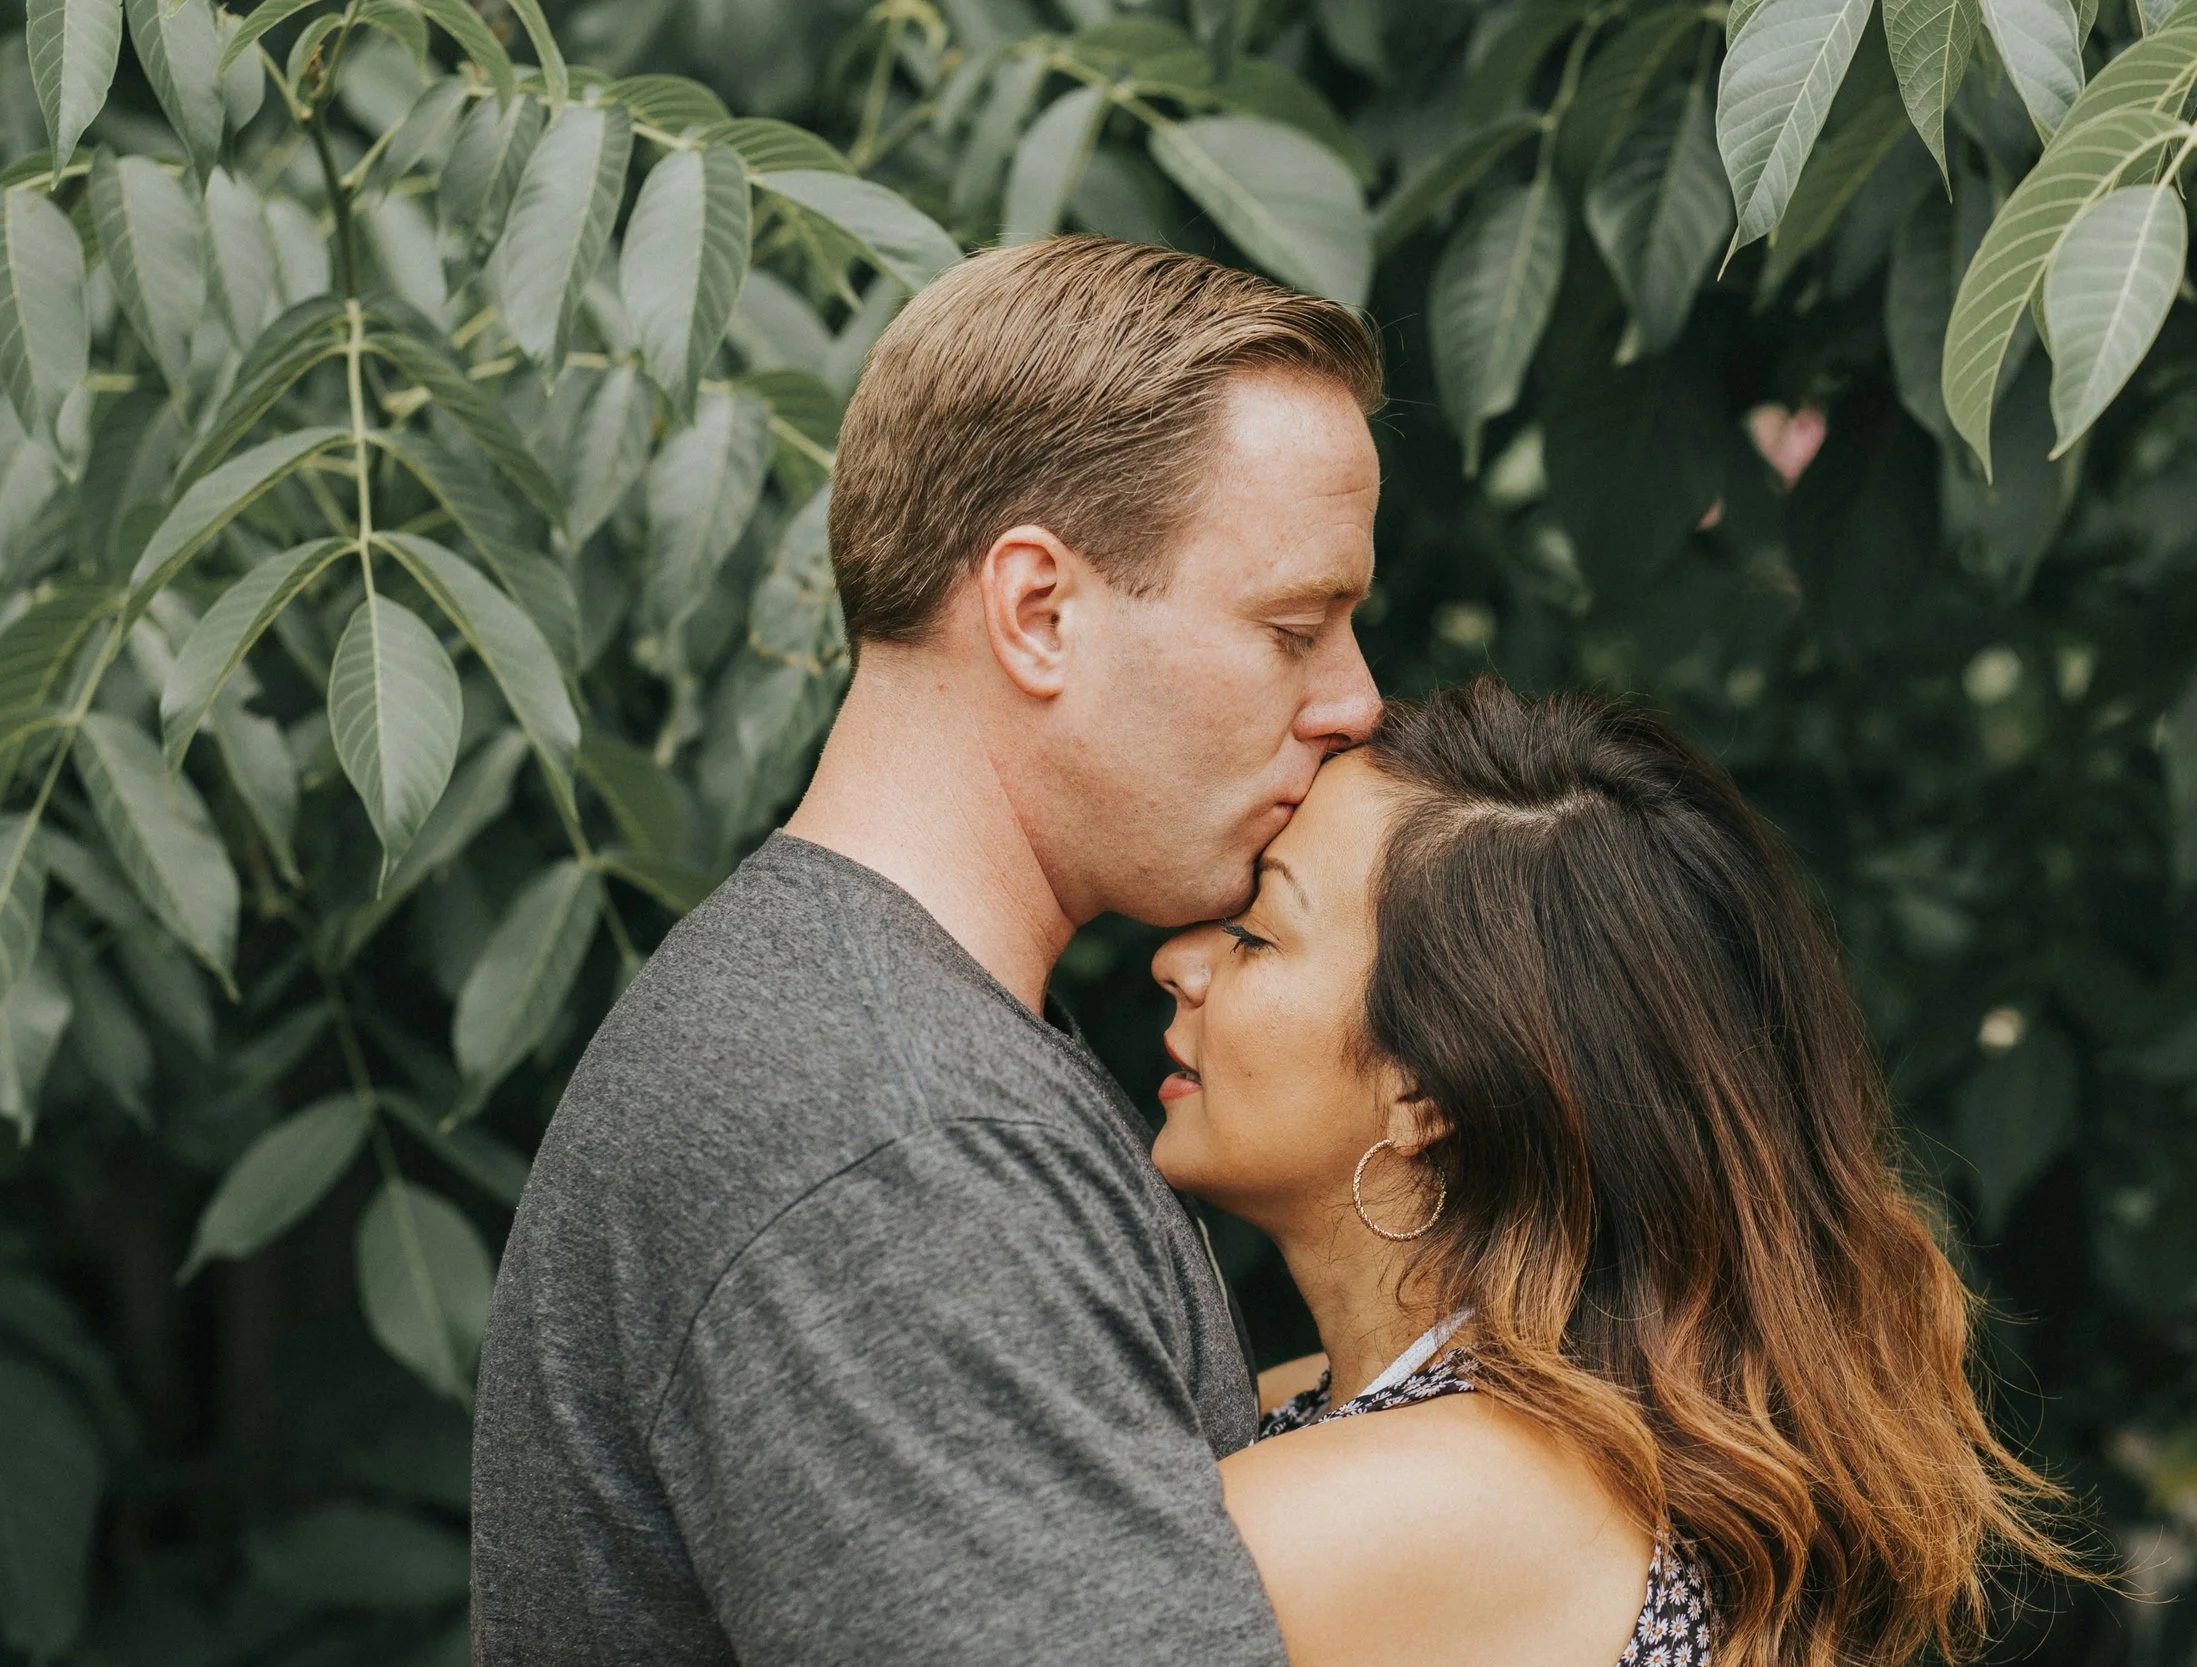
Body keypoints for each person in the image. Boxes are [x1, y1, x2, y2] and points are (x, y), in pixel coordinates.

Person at [469, 236, 1382, 1664]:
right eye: (1294, 625)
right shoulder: (897, 1137)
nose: (1355, 699)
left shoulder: (909, 1049)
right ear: (1036, 610)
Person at [1151, 680, 2082, 1667]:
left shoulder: (1398, 1506)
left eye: (1254, 934)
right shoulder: (1455, 1429)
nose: (1179, 960)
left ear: (1426, 1090)